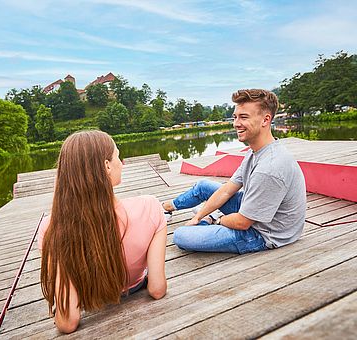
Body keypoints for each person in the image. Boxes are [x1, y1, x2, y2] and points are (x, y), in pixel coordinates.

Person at [38, 130, 167, 333]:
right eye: (118, 155)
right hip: (135, 290)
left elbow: (67, 322)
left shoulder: (51, 228)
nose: (121, 163)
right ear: (106, 166)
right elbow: (157, 289)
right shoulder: (150, 207)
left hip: (91, 298)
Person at [163, 89, 306, 254]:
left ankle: (209, 222)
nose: (236, 123)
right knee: (203, 186)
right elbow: (227, 190)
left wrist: (217, 219)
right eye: (235, 117)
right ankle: (169, 209)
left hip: (264, 233)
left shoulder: (270, 167)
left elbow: (242, 223)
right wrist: (198, 217)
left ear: (266, 120)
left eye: (244, 117)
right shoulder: (256, 151)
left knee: (181, 236)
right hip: (254, 213)